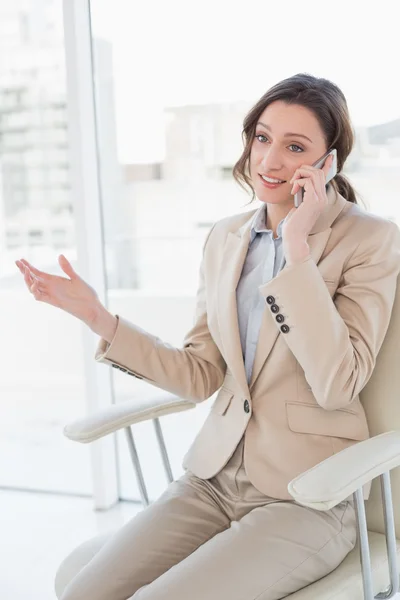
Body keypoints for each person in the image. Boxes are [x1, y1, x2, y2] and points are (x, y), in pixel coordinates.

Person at [16, 73, 400, 600]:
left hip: (306, 498)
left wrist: (296, 250)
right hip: (211, 484)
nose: (268, 161)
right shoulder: (226, 238)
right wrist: (100, 319)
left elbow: (339, 384)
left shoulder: (369, 240)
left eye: (295, 147)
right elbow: (200, 374)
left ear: (329, 162)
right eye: (262, 138)